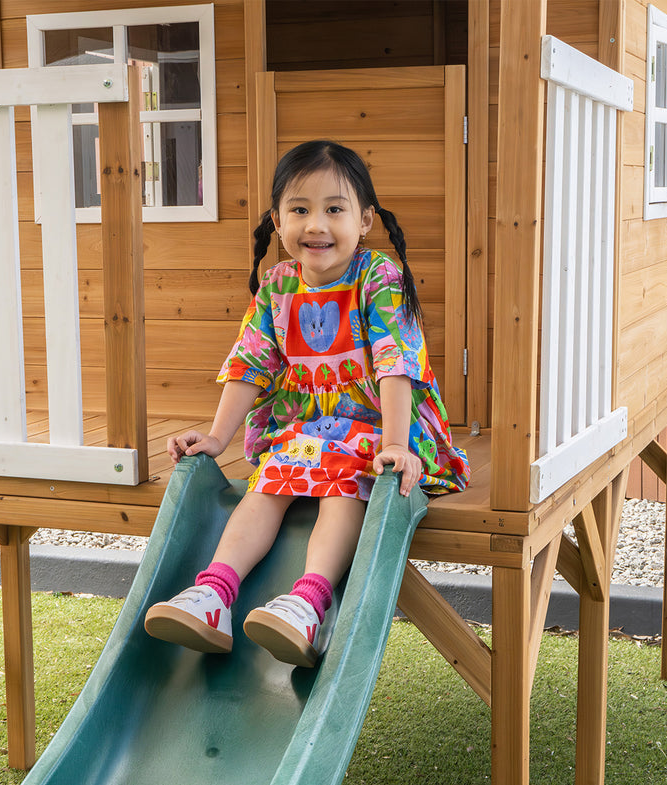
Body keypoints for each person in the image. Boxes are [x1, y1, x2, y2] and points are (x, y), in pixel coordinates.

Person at [144, 140, 469, 667]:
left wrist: (394, 444)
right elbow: (250, 363)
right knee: (267, 485)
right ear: (277, 221)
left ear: (364, 220)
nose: (316, 224)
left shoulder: (377, 278)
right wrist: (218, 438)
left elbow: (396, 364)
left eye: (334, 209)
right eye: (299, 210)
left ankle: (309, 602)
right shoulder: (278, 286)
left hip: (377, 429)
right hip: (307, 430)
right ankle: (214, 592)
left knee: (345, 483)